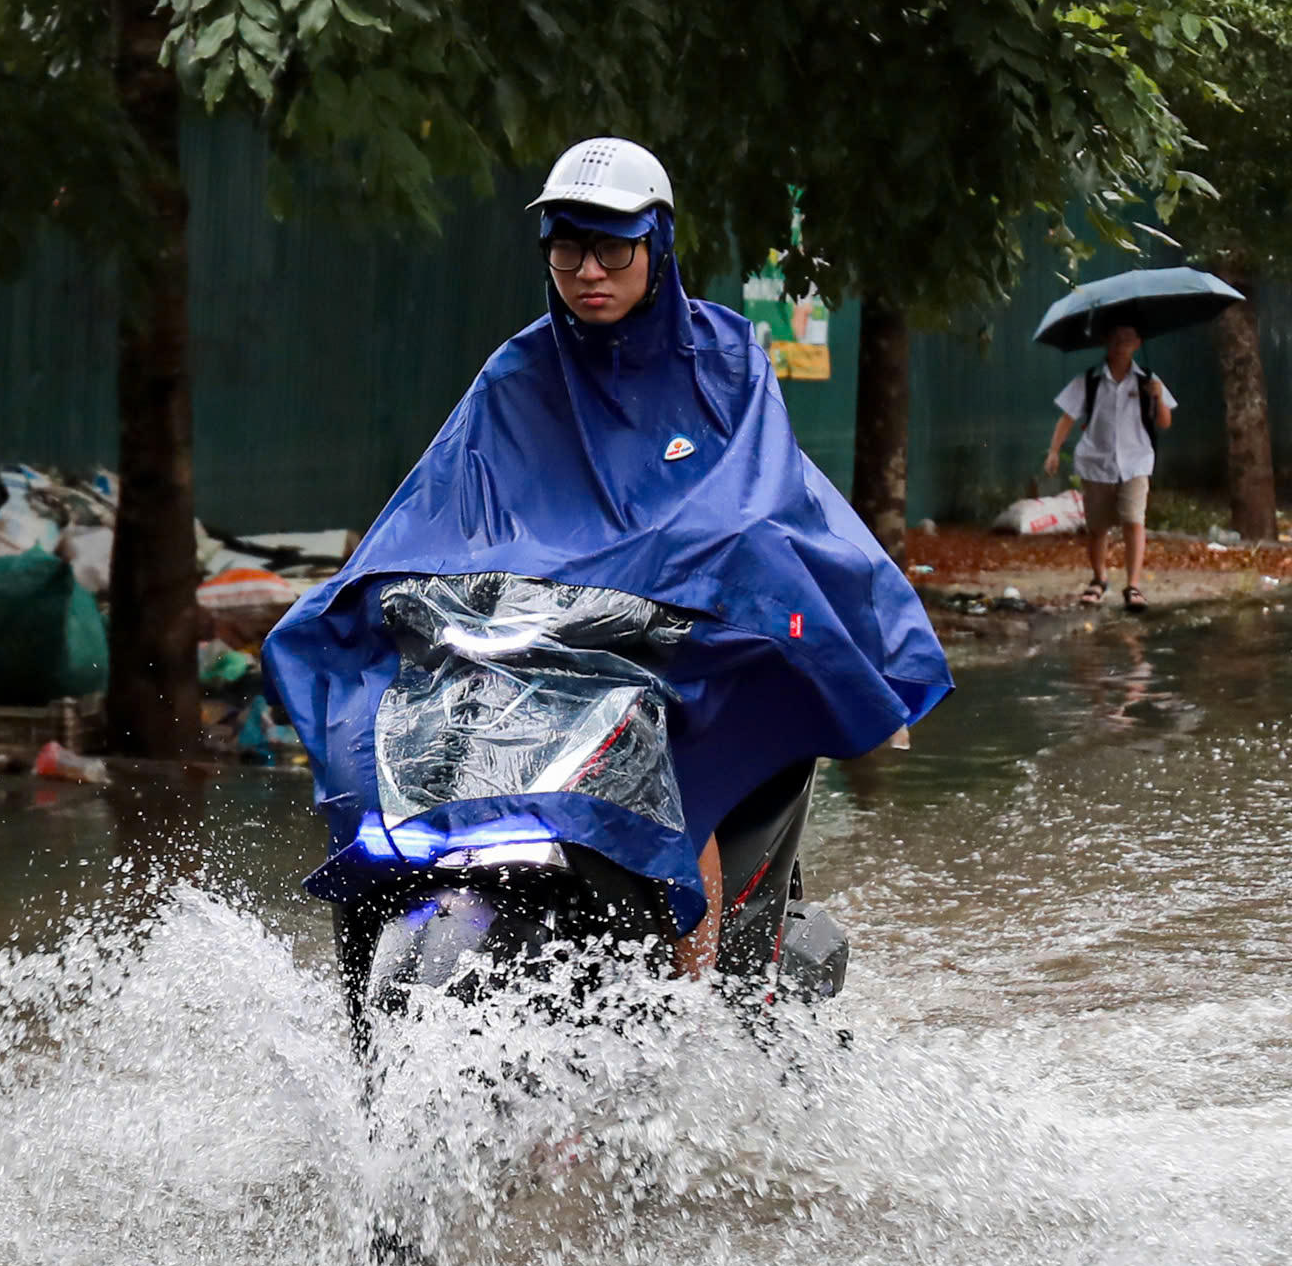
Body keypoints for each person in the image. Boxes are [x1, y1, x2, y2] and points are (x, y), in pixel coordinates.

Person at [260, 137, 949, 981]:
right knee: (370, 729)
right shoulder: (516, 375)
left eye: (612, 246)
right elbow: (438, 507)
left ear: (656, 245)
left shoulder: (727, 360)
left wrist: (664, 575)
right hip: (544, 648)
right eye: (567, 245)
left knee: (672, 759)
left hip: (686, 634)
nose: (589, 269)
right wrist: (366, 594)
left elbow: (752, 504)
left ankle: (696, 1011)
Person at [1042, 321, 1175, 613]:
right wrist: (1053, 451)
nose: (1120, 344)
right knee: (1098, 527)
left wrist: (1158, 398)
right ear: (1106, 342)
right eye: (1115, 338)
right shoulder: (1088, 380)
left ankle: (1134, 585)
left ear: (1138, 344)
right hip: (1096, 463)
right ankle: (1099, 579)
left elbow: (1164, 422)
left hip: (1136, 461)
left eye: (1127, 338)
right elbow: (1067, 418)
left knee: (1133, 521)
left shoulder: (1149, 380)